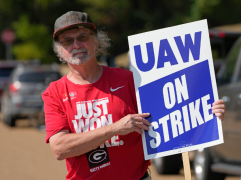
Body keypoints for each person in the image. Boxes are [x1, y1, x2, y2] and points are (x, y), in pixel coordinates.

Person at [42, 11, 226, 180]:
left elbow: (173, 112)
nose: (76, 45)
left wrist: (206, 112)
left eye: (83, 37)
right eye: (67, 41)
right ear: (60, 51)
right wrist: (114, 128)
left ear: (96, 42)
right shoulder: (55, 93)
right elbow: (60, 148)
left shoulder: (129, 79)